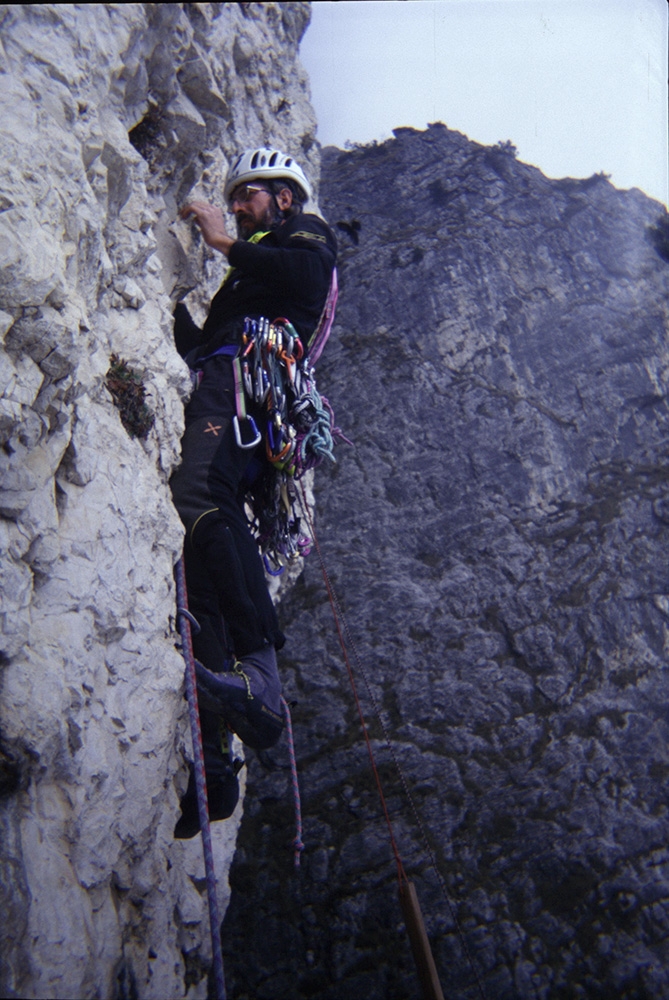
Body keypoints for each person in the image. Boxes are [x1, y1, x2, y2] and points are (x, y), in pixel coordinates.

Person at [170, 148, 337, 836]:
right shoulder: (254, 267)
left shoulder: (305, 235)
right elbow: (208, 337)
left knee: (201, 492)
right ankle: (213, 758)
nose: (237, 205)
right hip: (231, 377)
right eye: (233, 199)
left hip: (252, 375)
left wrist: (221, 241)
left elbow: (306, 274)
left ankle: (261, 680)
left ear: (286, 198)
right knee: (203, 565)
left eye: (249, 196)